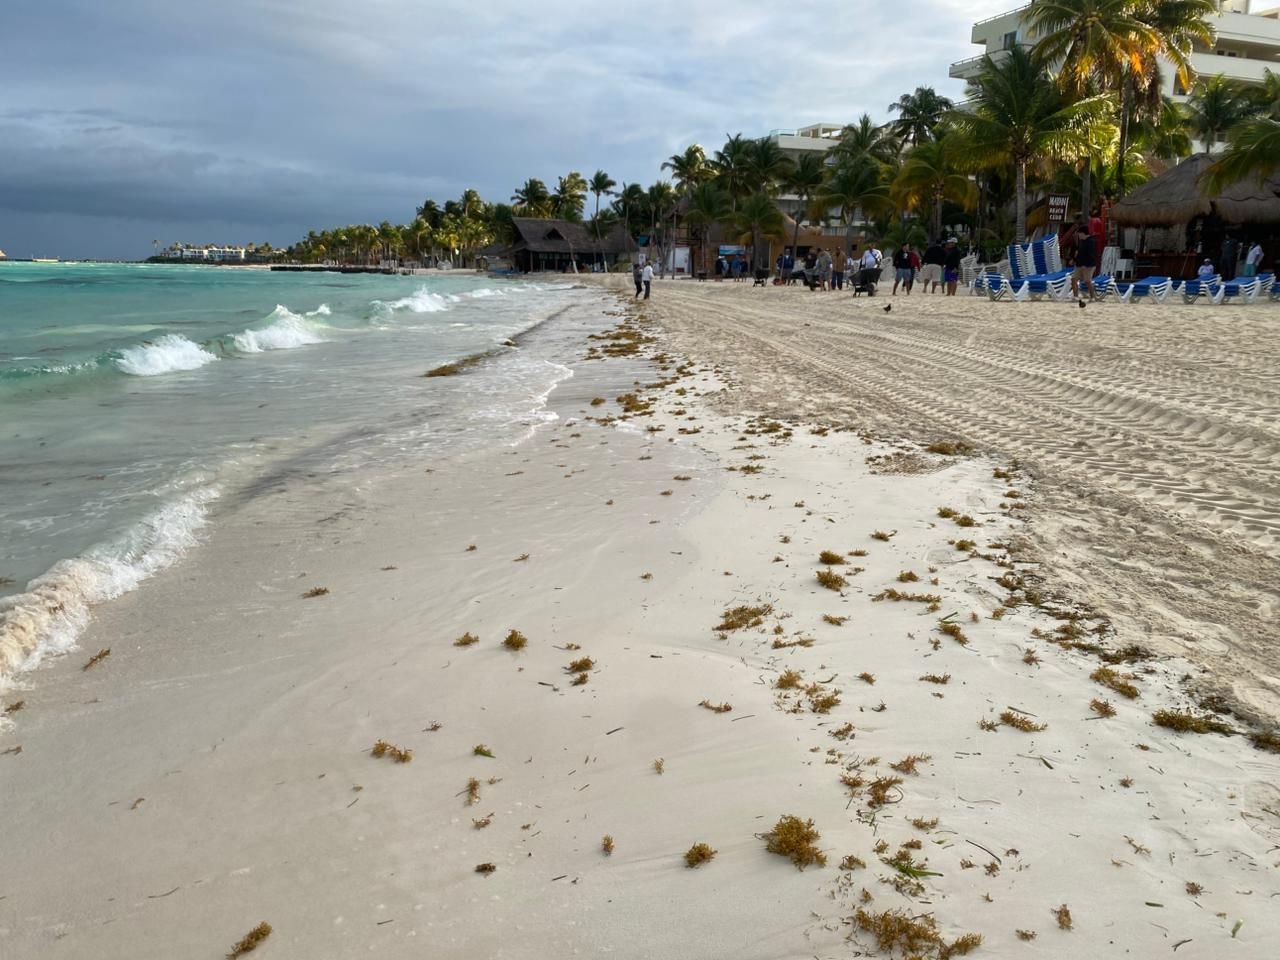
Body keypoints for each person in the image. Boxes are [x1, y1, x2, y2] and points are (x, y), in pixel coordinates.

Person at [1071, 217, 1097, 300]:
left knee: (1087, 281)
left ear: (1083, 233)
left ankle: (1092, 297)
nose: (1078, 235)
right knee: (1073, 279)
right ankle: (1075, 296)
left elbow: (1091, 255)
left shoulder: (1091, 242)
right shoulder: (1081, 242)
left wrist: (1085, 265)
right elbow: (1079, 253)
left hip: (1089, 265)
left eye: (1079, 233)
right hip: (1079, 264)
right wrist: (1074, 260)